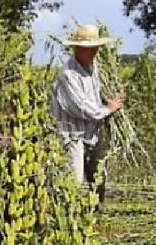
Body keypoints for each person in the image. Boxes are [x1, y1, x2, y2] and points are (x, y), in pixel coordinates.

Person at [50, 24, 126, 204]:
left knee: (98, 177)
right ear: (77, 49)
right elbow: (82, 107)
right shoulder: (67, 75)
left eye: (95, 48)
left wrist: (108, 99)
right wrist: (109, 109)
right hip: (72, 135)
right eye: (88, 49)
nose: (93, 52)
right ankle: (68, 219)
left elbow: (95, 93)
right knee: (73, 182)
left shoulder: (93, 67)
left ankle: (95, 215)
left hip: (91, 132)